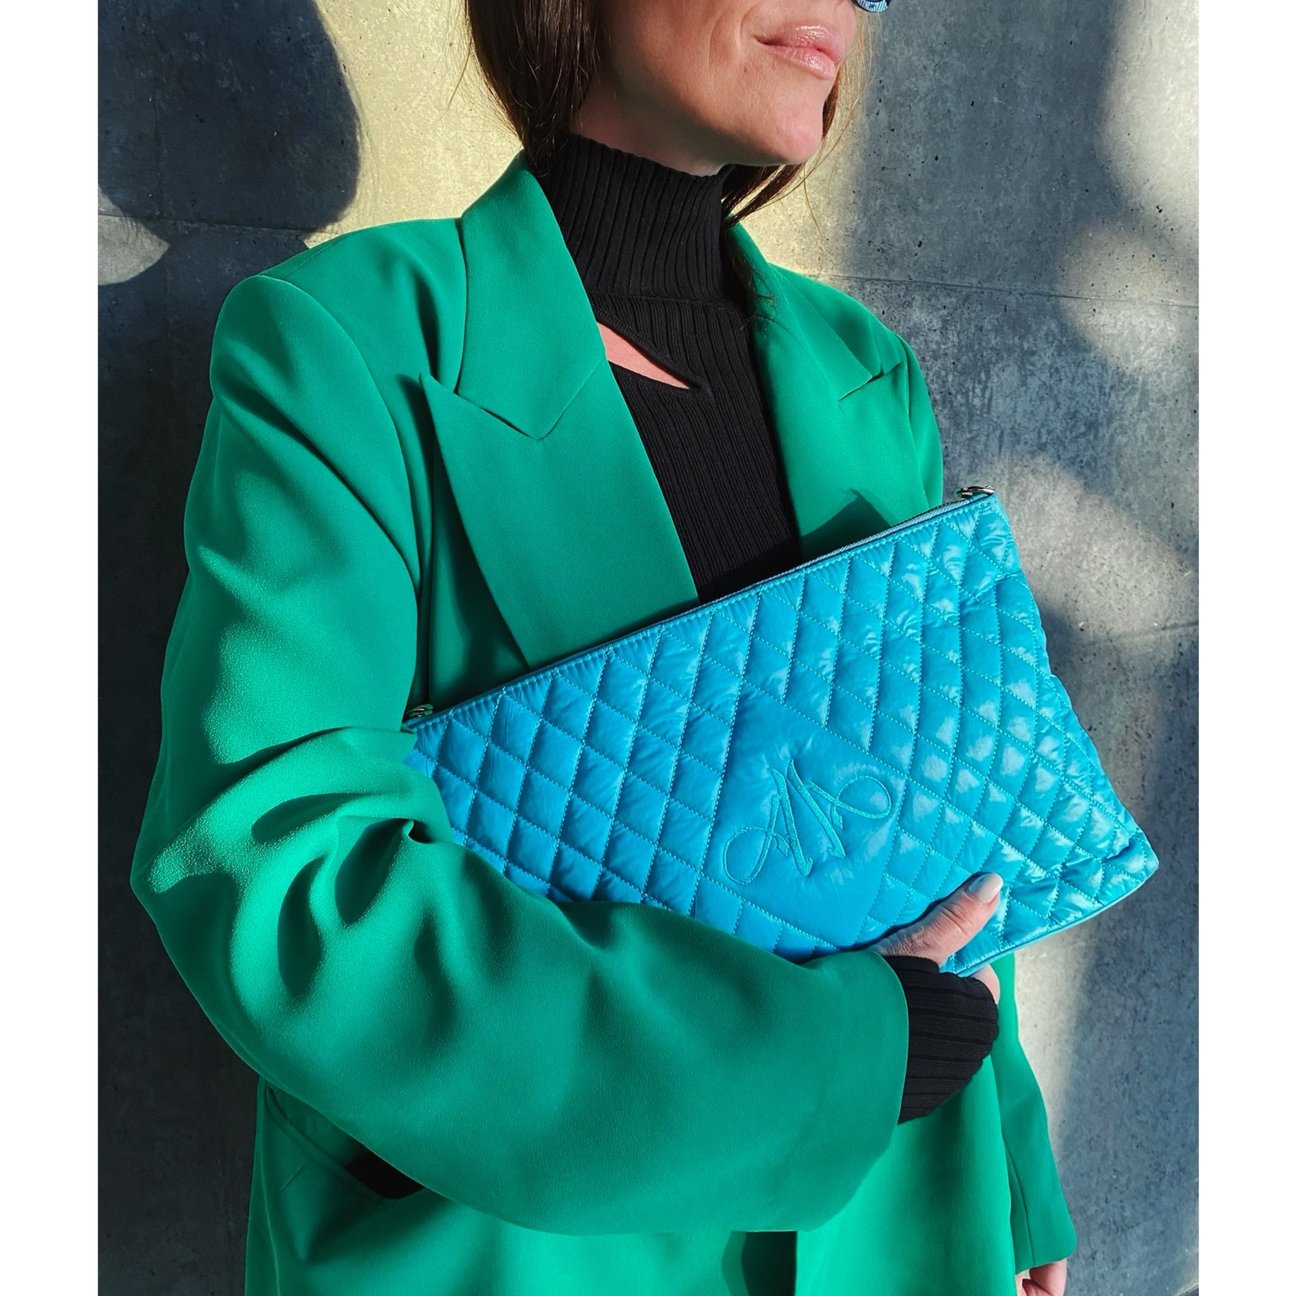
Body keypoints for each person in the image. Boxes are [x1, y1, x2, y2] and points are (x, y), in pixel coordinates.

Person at [131, 2, 1077, 1293]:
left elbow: (939, 825)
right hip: (531, 1249)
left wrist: (1014, 1190)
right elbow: (285, 879)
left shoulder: (866, 376)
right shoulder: (346, 346)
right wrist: (834, 1056)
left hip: (901, 1226)